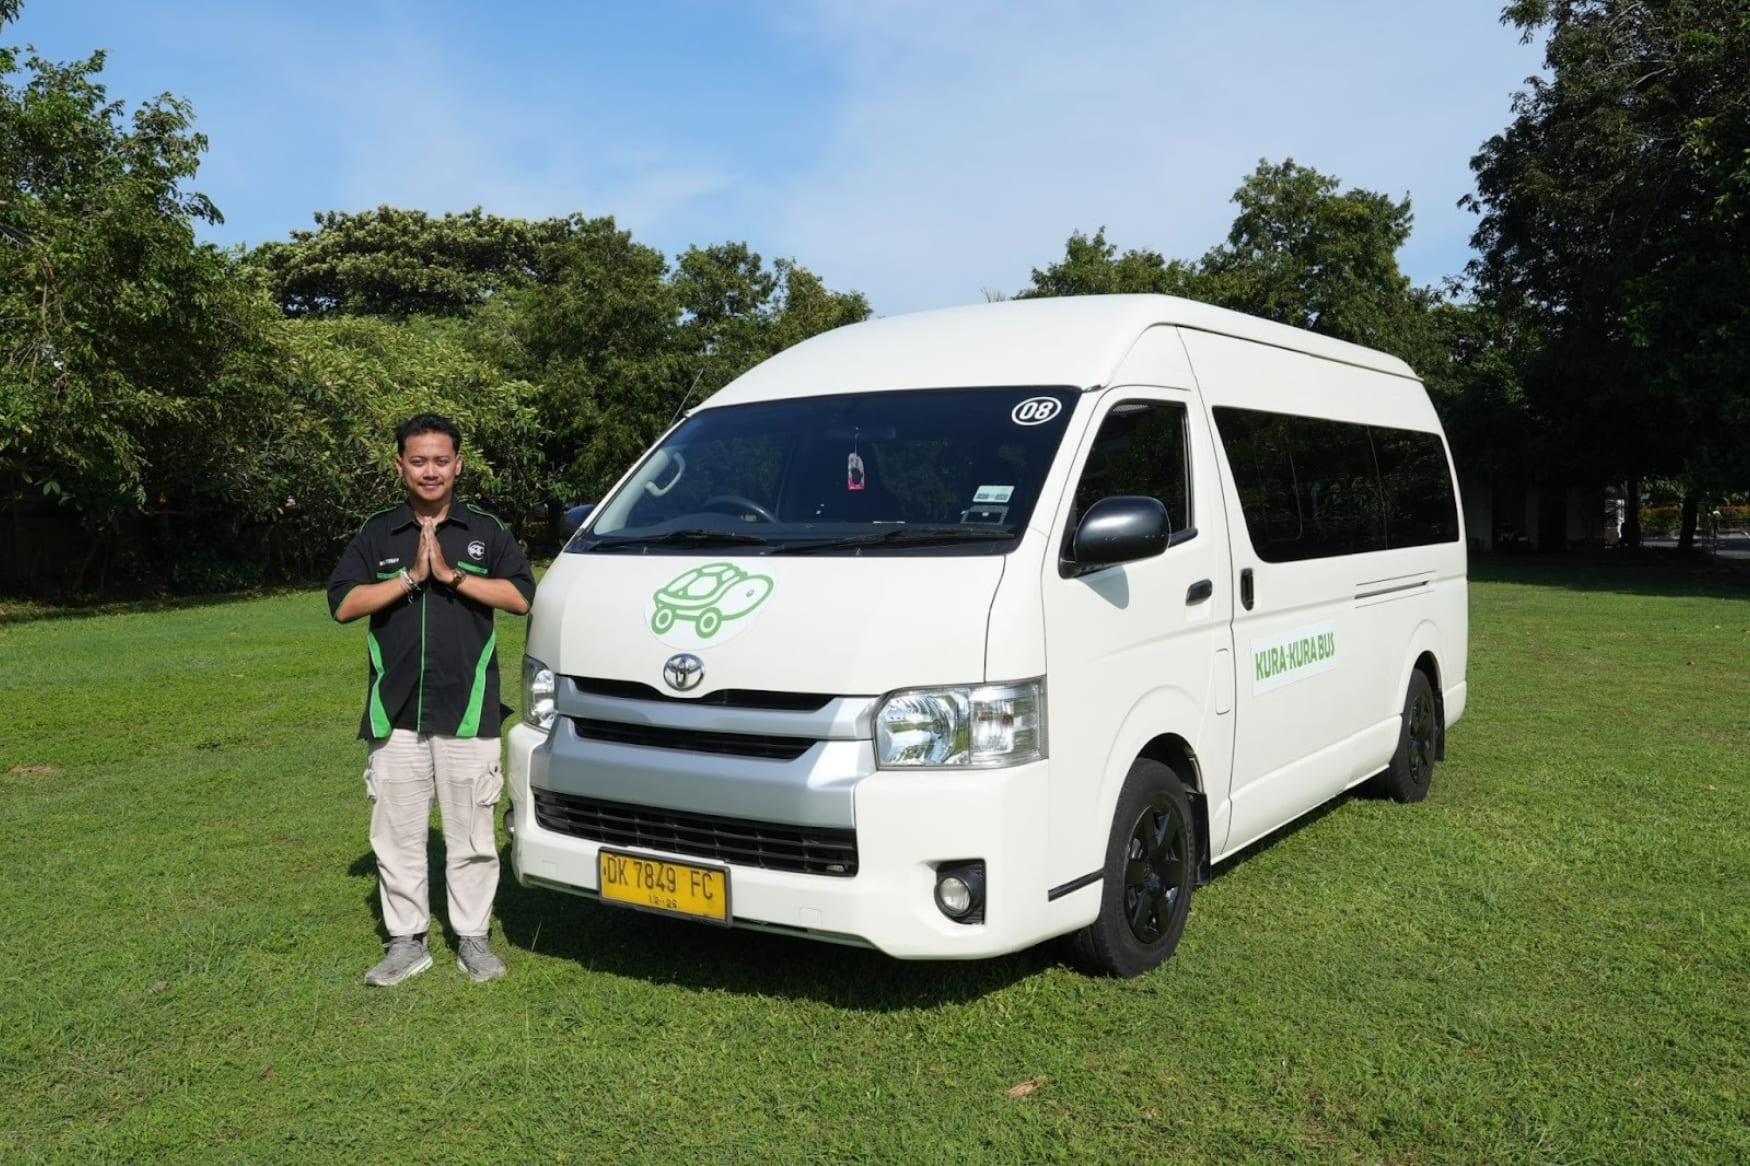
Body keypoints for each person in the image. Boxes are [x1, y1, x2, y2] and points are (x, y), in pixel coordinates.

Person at [327, 413, 536, 986]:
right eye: (418, 461)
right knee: (396, 835)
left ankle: (473, 938)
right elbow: (342, 604)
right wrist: (411, 577)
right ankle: (406, 942)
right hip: (393, 711)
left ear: (458, 465)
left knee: (471, 834)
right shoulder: (379, 532)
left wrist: (451, 576)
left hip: (469, 709)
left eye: (441, 460)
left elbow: (520, 596)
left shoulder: (485, 529)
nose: (430, 471)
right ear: (400, 466)